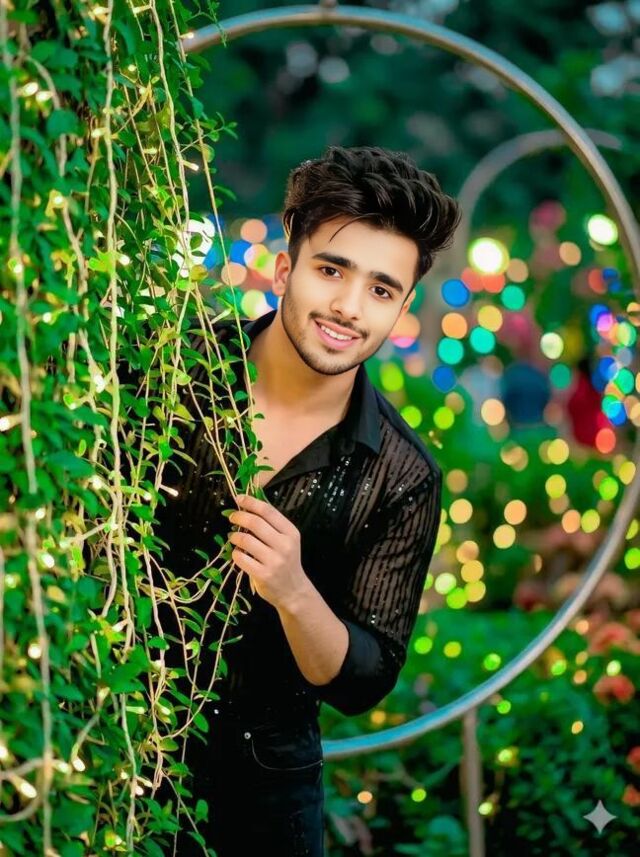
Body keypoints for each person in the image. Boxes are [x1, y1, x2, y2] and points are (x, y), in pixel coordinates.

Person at [151, 145, 461, 855]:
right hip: (108, 755)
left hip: (266, 802)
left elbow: (363, 679)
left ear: (402, 308)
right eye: (331, 271)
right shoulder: (172, 374)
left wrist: (294, 592)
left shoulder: (403, 474)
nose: (349, 308)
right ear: (286, 270)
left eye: (381, 289)